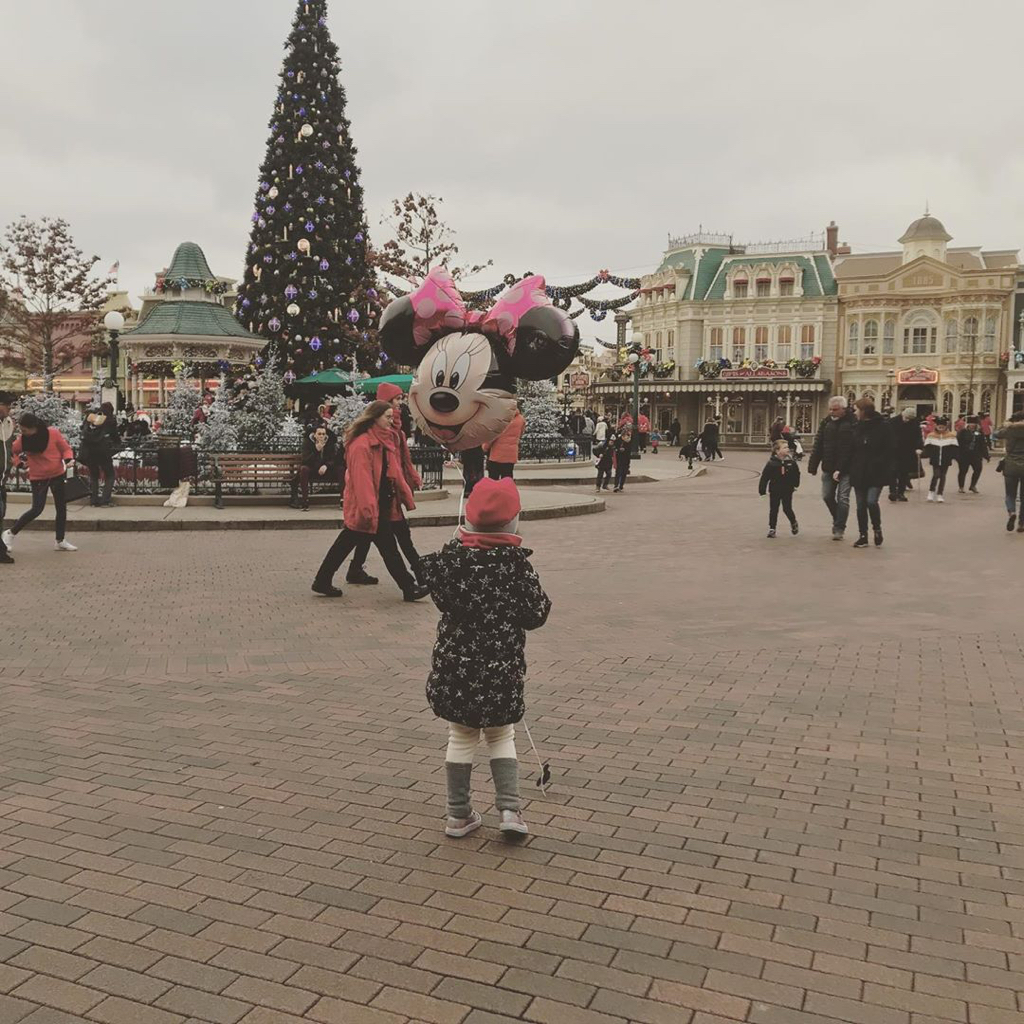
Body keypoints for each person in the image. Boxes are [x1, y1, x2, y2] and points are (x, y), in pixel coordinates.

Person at [418, 478, 551, 838]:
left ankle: (458, 815)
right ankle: (510, 811)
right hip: (499, 668)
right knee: (501, 735)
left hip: (457, 667)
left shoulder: (452, 562)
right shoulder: (515, 566)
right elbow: (536, 614)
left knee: (461, 737)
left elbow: (439, 591)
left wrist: (455, 545)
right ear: (513, 522)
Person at [310, 401, 429, 601]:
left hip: (380, 502)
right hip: (369, 505)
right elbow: (362, 481)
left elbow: (394, 472)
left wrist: (405, 493)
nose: (392, 421)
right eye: (387, 417)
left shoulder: (384, 441)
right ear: (375, 417)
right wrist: (369, 510)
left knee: (345, 544)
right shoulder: (361, 444)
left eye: (392, 417)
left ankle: (322, 580)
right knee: (388, 548)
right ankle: (409, 587)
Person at [3, 413, 77, 553]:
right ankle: (10, 533)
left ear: (34, 427)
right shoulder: (23, 440)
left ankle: (60, 541)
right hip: (38, 478)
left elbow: (65, 449)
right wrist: (19, 464)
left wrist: (68, 459)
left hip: (57, 475)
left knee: (61, 508)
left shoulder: (53, 433)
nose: (22, 433)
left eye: (25, 430)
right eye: (21, 430)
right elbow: (11, 451)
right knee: (37, 509)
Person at [807, 395, 856, 541]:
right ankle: (838, 519)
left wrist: (841, 468)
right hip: (828, 467)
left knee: (843, 498)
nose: (831, 412)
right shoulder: (826, 422)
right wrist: (813, 465)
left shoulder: (853, 422)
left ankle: (839, 527)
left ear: (843, 409)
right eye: (830, 409)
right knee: (827, 496)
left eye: (835, 409)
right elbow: (819, 443)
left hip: (847, 469)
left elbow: (851, 449)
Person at [848, 398, 892, 548]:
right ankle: (863, 535)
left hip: (876, 471)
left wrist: (884, 465)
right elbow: (851, 450)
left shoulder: (883, 427)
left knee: (871, 501)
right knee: (861, 505)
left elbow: (890, 449)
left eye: (856, 410)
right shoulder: (856, 427)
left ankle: (877, 529)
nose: (854, 412)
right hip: (859, 471)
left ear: (864, 411)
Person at [758, 438, 800, 539]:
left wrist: (795, 485)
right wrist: (762, 490)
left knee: (787, 508)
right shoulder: (771, 463)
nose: (787, 449)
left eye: (787, 447)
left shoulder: (791, 462)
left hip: (787, 490)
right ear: (777, 451)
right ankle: (772, 528)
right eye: (785, 447)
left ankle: (793, 522)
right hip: (775, 490)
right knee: (774, 509)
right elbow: (765, 477)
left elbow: (796, 474)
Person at [79, 405, 119, 507]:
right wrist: (117, 444)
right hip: (103, 452)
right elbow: (115, 436)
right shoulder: (109, 420)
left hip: (89, 452)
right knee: (110, 475)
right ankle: (105, 501)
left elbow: (82, 429)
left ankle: (94, 501)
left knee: (93, 476)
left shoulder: (90, 417)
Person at [296, 424, 341, 511]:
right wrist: (316, 450)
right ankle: (305, 501)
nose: (321, 436)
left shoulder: (329, 443)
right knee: (303, 469)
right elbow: (305, 460)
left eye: (323, 434)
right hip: (312, 470)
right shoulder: (307, 443)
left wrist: (326, 465)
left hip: (326, 471)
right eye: (319, 434)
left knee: (341, 469)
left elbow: (334, 459)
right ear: (315, 435)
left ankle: (343, 500)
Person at [994, 411, 1024, 532]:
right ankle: (1022, 524)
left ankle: (1011, 512)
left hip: (1011, 464)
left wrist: (1006, 424)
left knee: (1010, 494)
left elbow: (995, 434)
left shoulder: (1009, 430)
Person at [888, 407, 922, 502]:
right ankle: (893, 492)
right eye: (906, 418)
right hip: (894, 451)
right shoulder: (892, 422)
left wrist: (919, 447)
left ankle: (901, 493)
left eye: (909, 419)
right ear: (903, 414)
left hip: (907, 451)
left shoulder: (915, 423)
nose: (907, 420)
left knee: (904, 473)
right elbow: (887, 435)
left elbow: (918, 436)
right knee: (893, 471)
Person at [922, 415, 958, 503]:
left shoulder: (951, 436)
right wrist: (922, 453)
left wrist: (952, 456)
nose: (941, 427)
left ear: (946, 426)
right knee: (936, 475)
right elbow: (927, 448)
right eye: (939, 426)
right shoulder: (931, 435)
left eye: (942, 426)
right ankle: (931, 492)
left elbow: (955, 449)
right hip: (935, 460)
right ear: (936, 426)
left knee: (942, 476)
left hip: (945, 460)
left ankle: (940, 494)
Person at [483, 406, 524, 480]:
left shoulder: (500, 419)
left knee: (493, 479)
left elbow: (492, 436)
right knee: (507, 478)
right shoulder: (521, 419)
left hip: (497, 455)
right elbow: (521, 433)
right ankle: (506, 491)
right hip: (511, 455)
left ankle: (495, 491)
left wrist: (485, 447)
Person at [956, 416, 990, 494]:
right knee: (963, 471)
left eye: (974, 423)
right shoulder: (962, 432)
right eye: (971, 423)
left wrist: (986, 455)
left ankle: (973, 485)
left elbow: (983, 445)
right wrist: (956, 455)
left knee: (978, 469)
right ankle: (961, 487)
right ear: (968, 424)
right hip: (964, 455)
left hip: (976, 455)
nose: (972, 425)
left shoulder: (979, 433)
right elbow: (957, 443)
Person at [0, 394, 14, 564]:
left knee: (1, 513)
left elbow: (8, 447)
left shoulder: (8, 423)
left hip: (2, 480)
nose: (9, 411)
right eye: (7, 406)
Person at [612, 428, 633, 492]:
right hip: (619, 458)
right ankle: (616, 485)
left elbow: (629, 450)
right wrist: (618, 449)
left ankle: (621, 485)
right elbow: (614, 447)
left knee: (624, 473)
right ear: (623, 436)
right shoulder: (618, 440)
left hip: (626, 458)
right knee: (619, 472)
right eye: (626, 436)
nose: (628, 437)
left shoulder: (629, 442)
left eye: (628, 436)